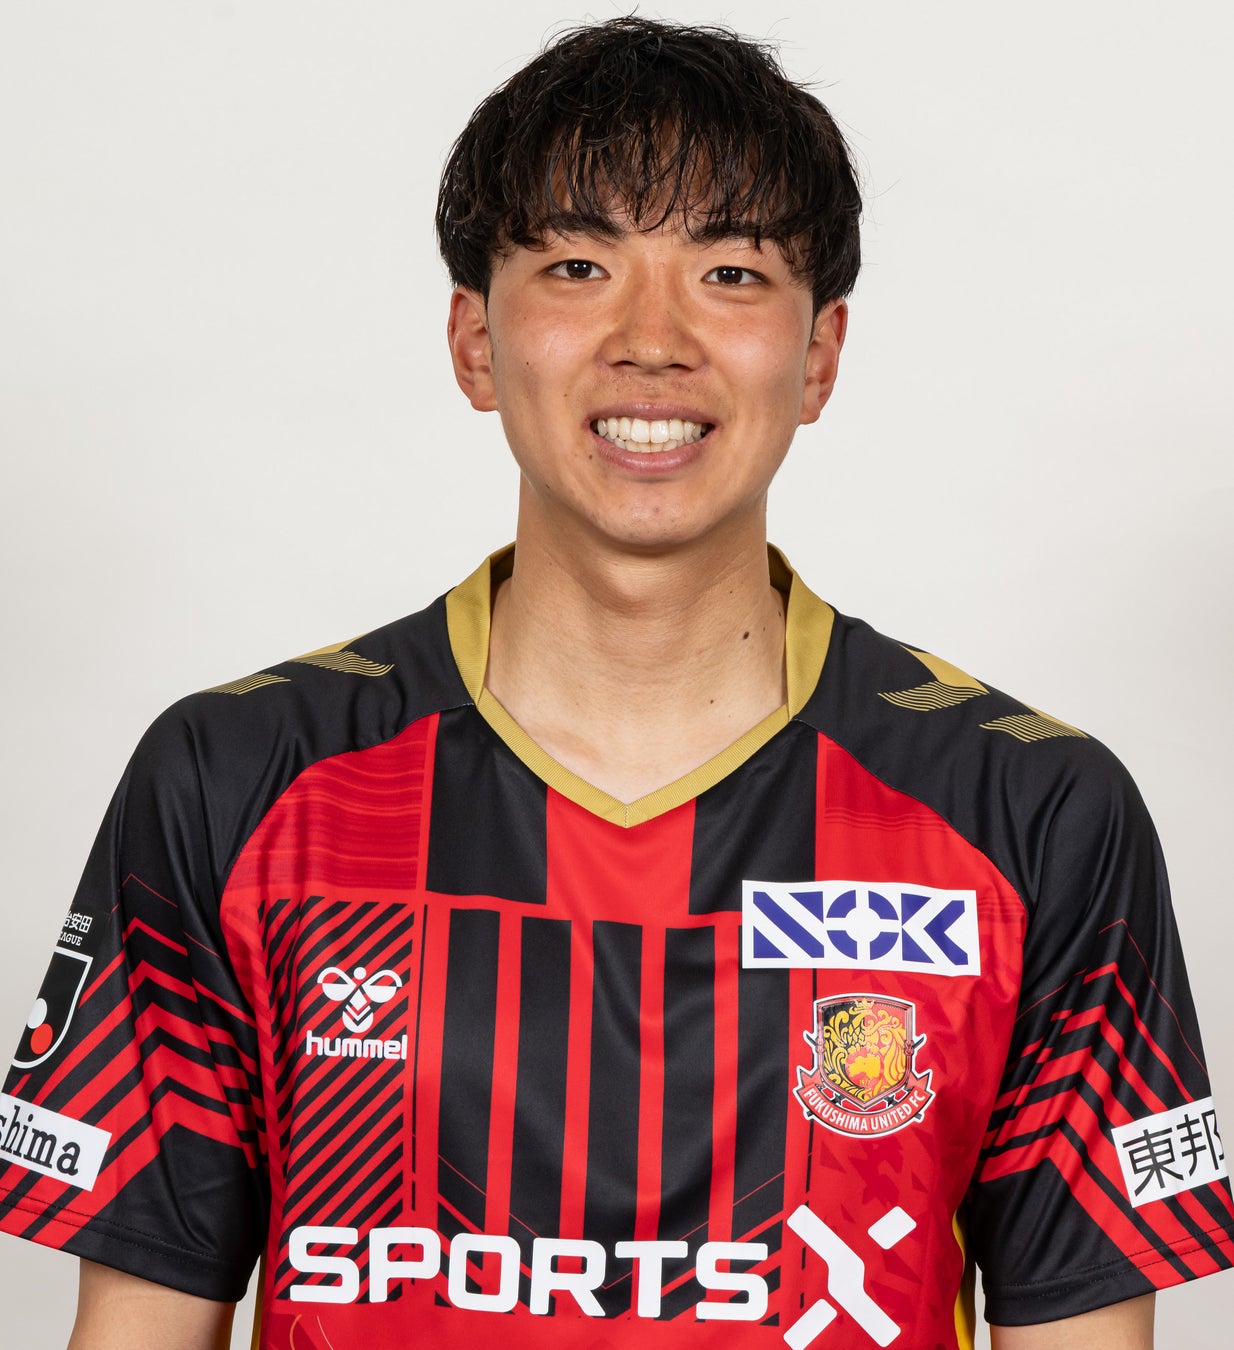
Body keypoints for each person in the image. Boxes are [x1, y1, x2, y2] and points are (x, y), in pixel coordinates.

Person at [1, 15, 1231, 1349]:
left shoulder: (1029, 812)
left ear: (819, 355)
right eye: (579, 265)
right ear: (475, 341)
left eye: (733, 272)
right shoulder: (238, 780)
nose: (653, 337)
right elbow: (139, 1325)